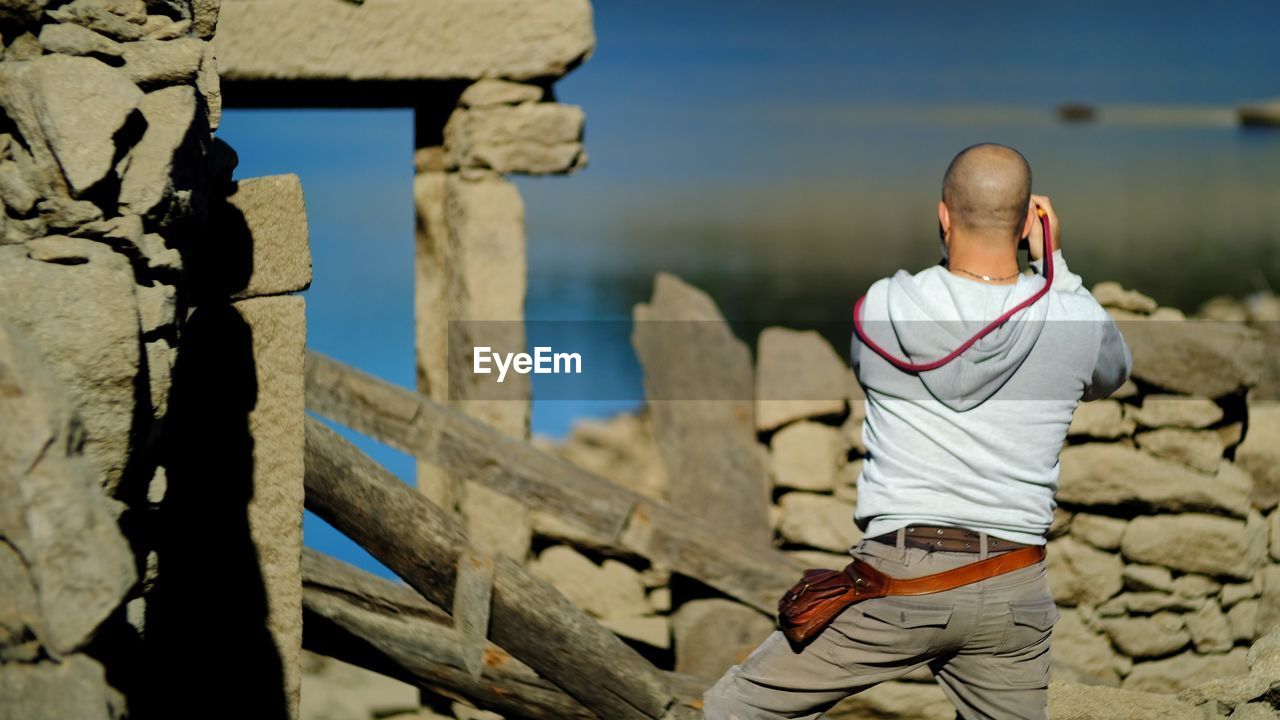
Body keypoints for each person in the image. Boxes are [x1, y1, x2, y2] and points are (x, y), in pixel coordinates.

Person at [703, 143, 1132, 720]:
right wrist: (1057, 267)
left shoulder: (887, 305)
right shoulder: (1074, 318)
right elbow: (1112, 372)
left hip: (900, 581)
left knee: (736, 707)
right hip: (1014, 589)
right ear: (1032, 222)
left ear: (944, 216)